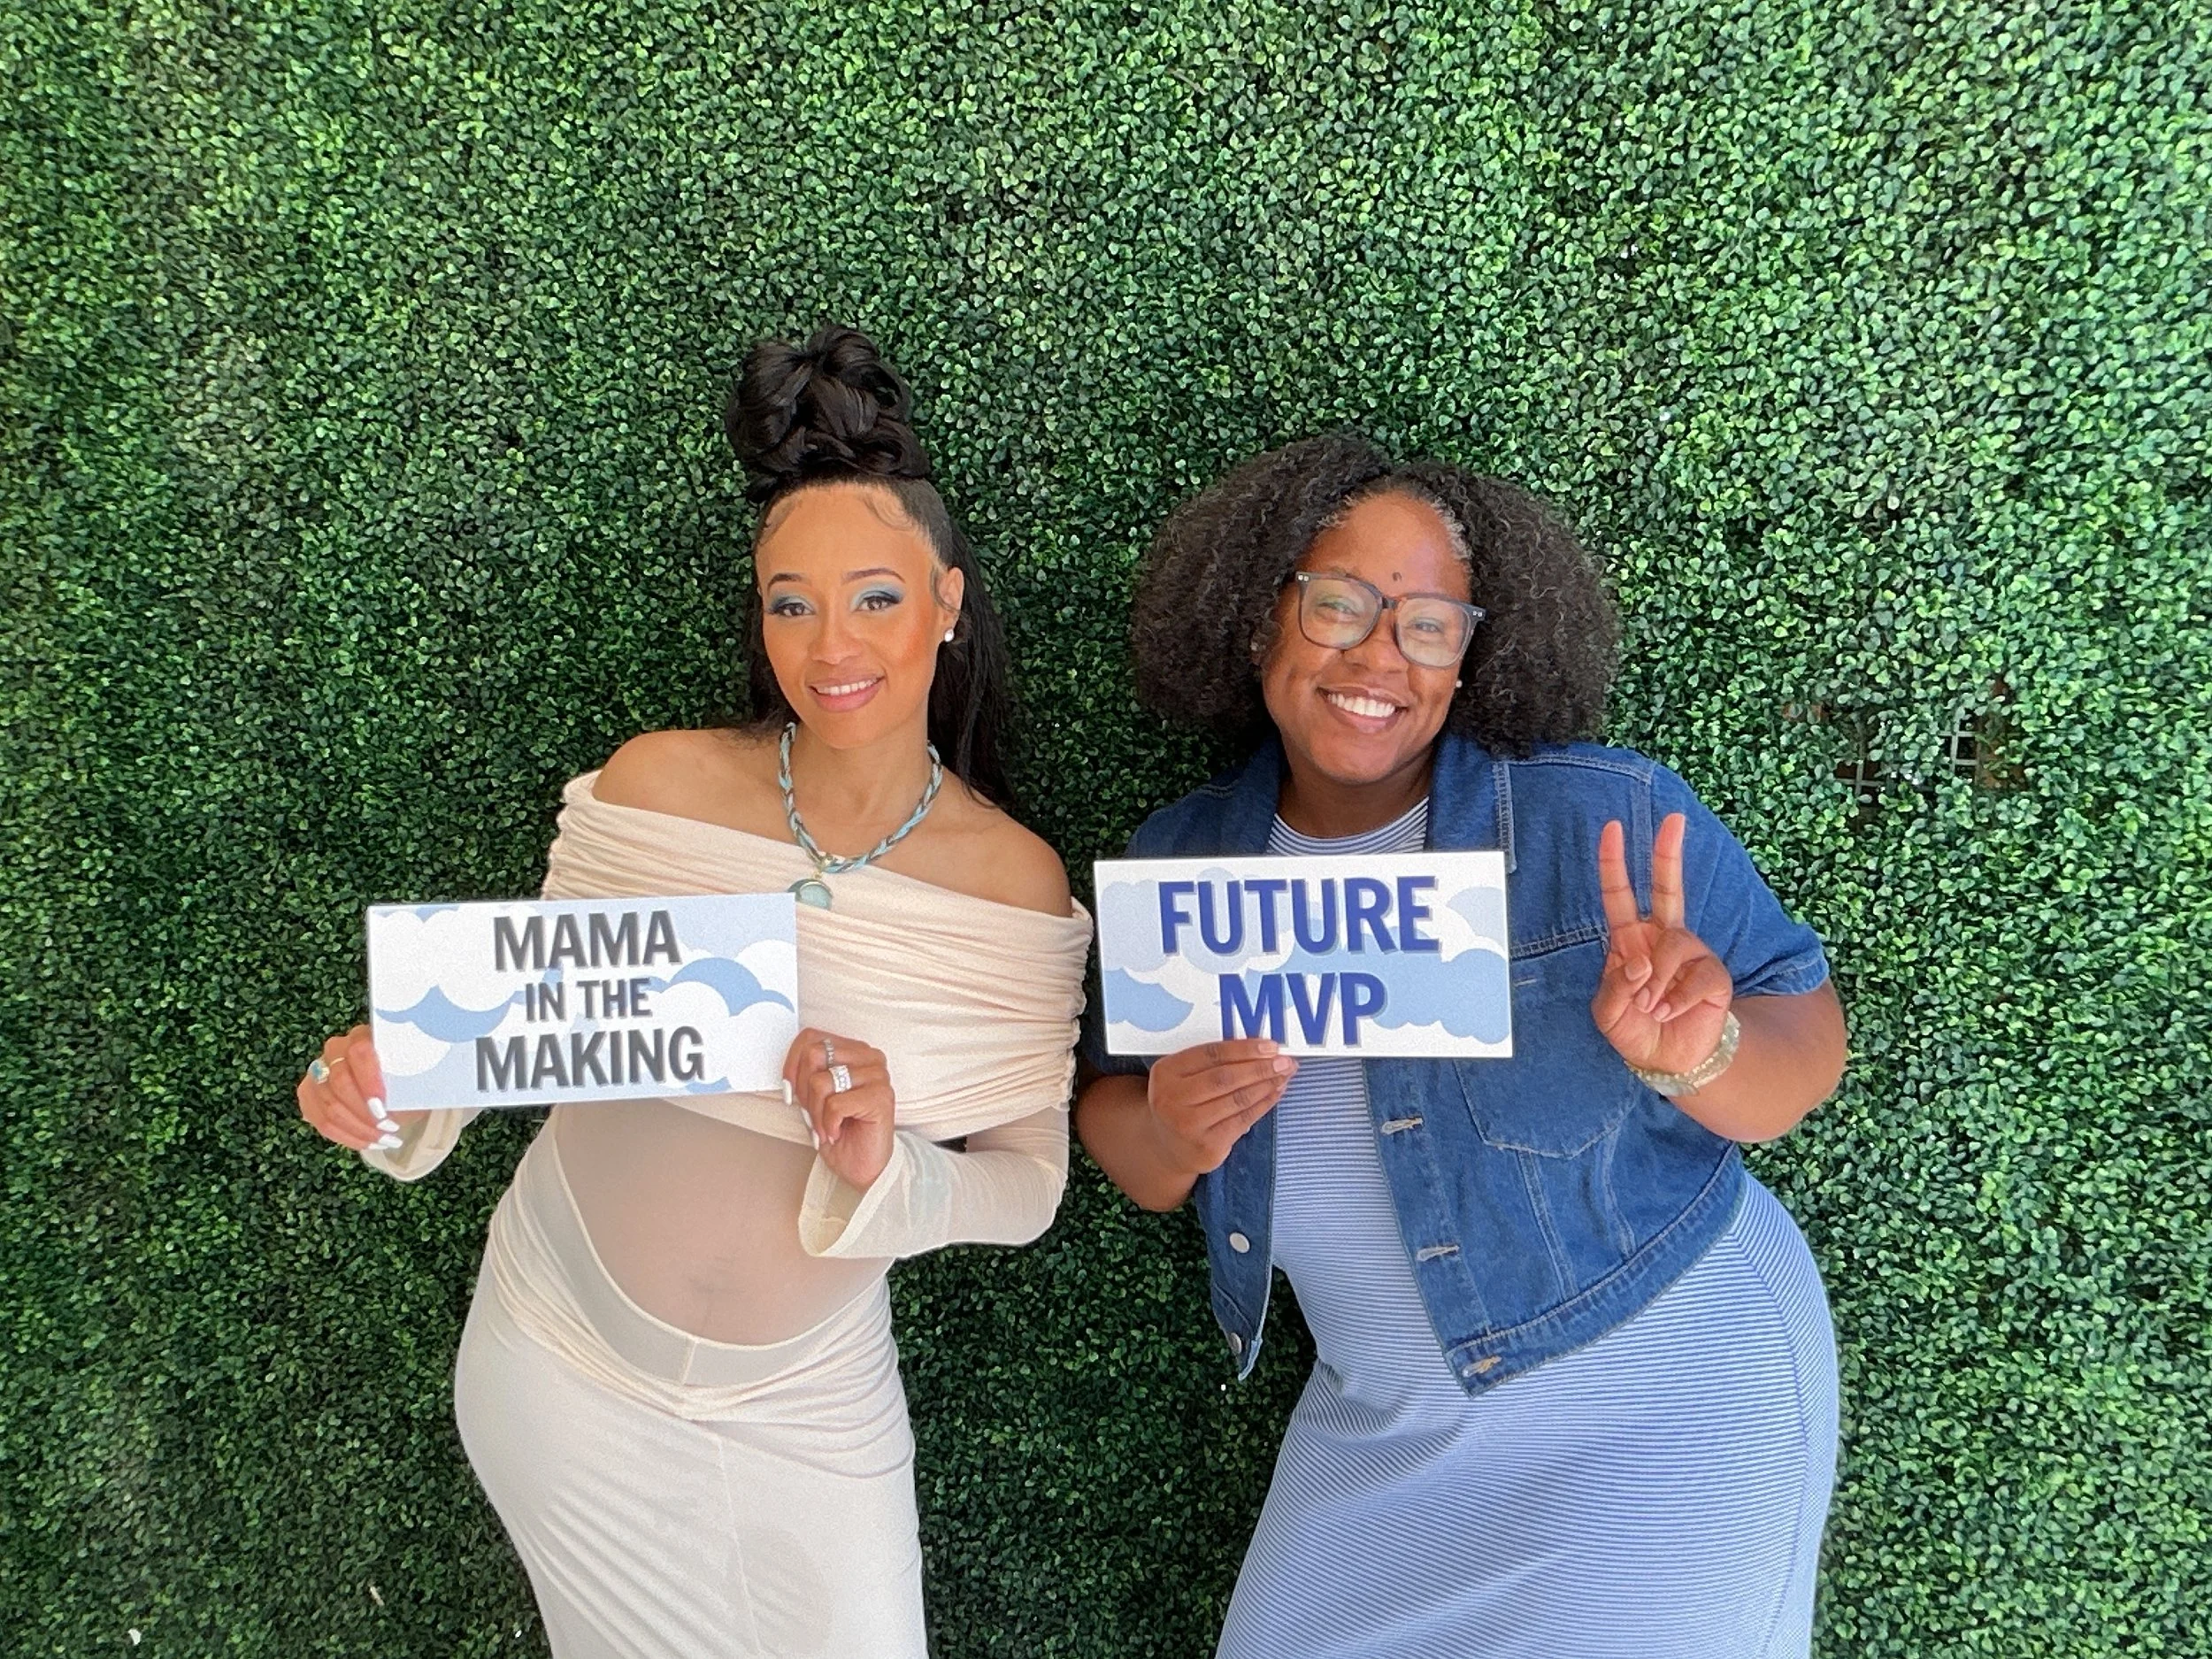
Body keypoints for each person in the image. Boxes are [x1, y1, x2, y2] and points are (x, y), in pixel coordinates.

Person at [296, 326, 1090, 1659]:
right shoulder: (658, 785)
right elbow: (509, 1032)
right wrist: (382, 1089)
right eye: (792, 601)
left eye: (877, 597)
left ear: (948, 602)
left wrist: (891, 1168)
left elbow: (1033, 1180)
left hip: (809, 1402)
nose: (831, 642)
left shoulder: (1011, 882)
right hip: (559, 1352)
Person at [1076, 434, 1847, 1659]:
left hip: (1660, 1388)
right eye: (1340, 604)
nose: (1381, 654)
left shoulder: (1601, 814)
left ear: (1470, 654)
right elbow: (1121, 1129)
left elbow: (1803, 1043)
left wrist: (1702, 1054)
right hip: (1384, 1420)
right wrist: (1172, 1129)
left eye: (1428, 624)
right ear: (1256, 615)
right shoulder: (1180, 860)